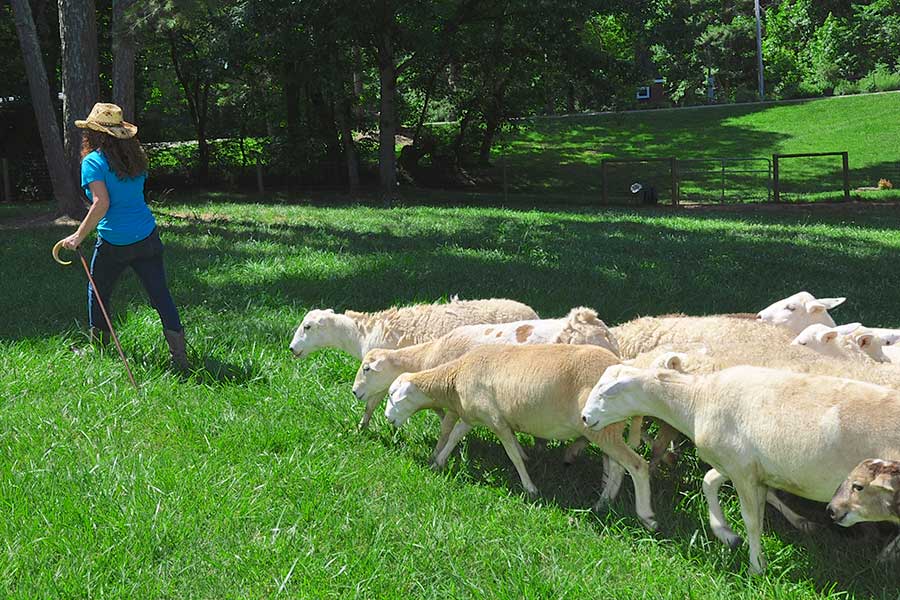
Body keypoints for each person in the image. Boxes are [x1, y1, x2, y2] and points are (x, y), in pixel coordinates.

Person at [61, 102, 189, 371]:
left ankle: (99, 350)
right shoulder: (135, 158)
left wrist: (78, 236)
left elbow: (101, 203)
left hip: (114, 243)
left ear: (94, 133)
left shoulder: (93, 162)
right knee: (160, 295)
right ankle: (180, 358)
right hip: (146, 237)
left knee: (98, 293)